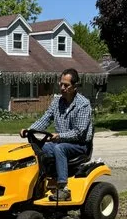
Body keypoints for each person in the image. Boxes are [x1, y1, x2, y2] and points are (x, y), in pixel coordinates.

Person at [20, 68, 93, 201]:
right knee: (35, 148)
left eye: (66, 85)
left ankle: (63, 189)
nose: (62, 87)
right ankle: (36, 182)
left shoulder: (83, 105)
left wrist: (59, 136)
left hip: (80, 145)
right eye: (61, 84)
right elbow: (46, 118)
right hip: (61, 142)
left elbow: (79, 132)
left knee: (60, 148)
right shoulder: (57, 101)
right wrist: (29, 130)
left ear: (75, 86)